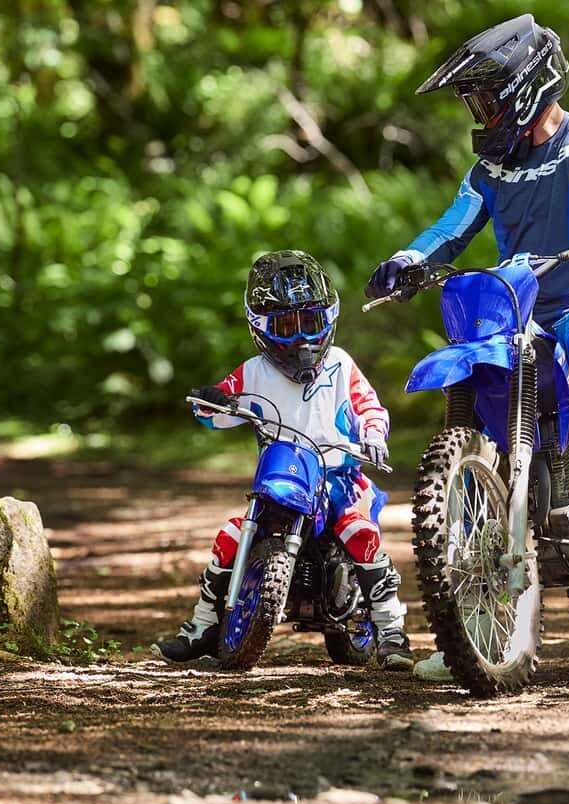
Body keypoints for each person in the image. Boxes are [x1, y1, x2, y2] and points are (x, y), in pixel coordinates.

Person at [366, 14, 569, 551]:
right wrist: (406, 260)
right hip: (514, 307)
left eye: (488, 102)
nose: (482, 116)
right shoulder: (489, 171)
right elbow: (451, 229)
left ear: (526, 90)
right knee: (476, 372)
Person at [155, 250, 415, 670]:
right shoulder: (254, 371)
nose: (300, 339)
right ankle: (203, 626)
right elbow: (219, 406)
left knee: (359, 533)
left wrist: (372, 435)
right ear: (261, 328)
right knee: (231, 534)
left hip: (338, 478)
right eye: (285, 327)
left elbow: (369, 407)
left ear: (329, 319)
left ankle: (391, 632)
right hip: (280, 475)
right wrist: (212, 400)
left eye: (310, 323)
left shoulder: (340, 365)